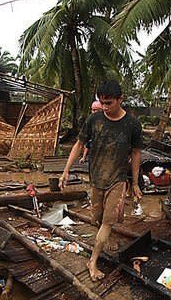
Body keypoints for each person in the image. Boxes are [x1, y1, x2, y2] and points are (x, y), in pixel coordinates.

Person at [61, 81, 142, 281]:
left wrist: (135, 182)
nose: (105, 107)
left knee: (107, 222)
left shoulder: (132, 124)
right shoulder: (94, 120)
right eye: (102, 103)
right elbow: (79, 144)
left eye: (109, 103)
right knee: (97, 220)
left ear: (120, 100)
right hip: (96, 178)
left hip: (118, 179)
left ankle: (93, 262)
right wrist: (66, 170)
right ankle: (107, 236)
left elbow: (136, 153)